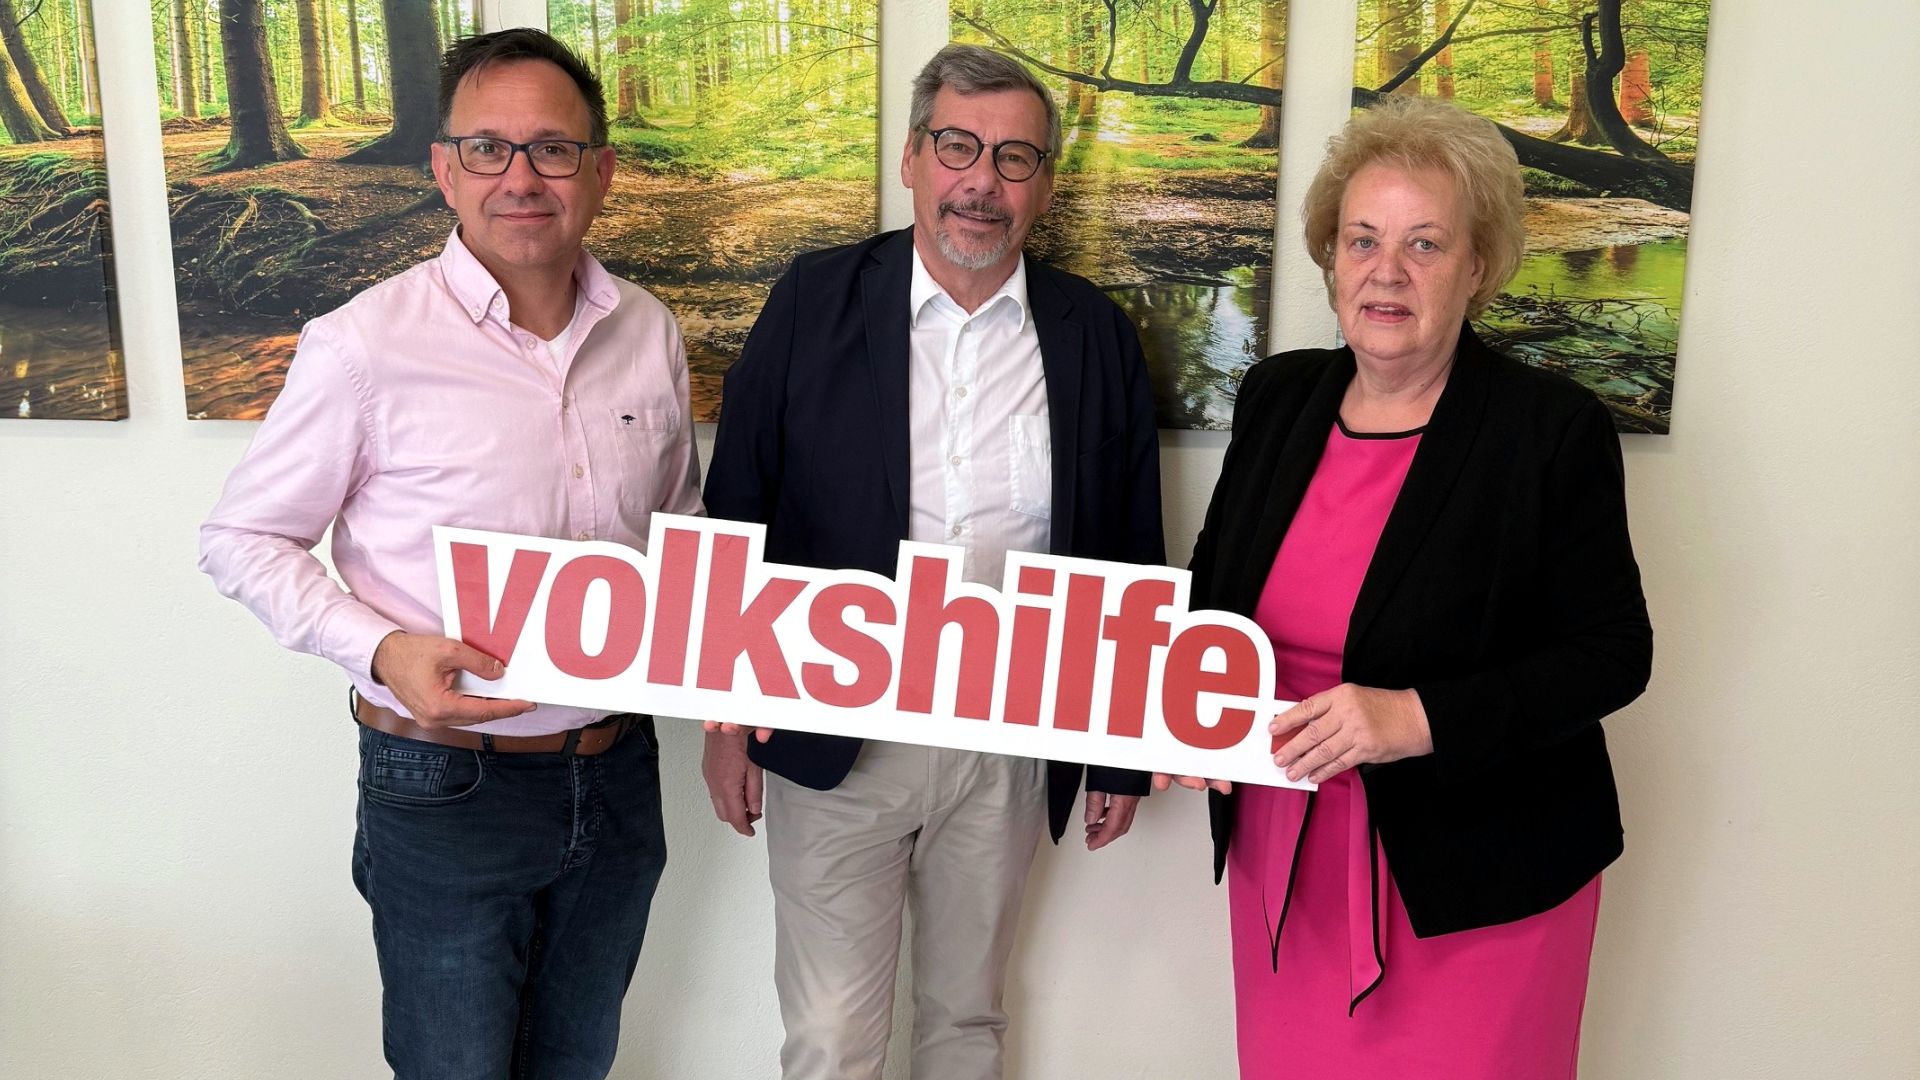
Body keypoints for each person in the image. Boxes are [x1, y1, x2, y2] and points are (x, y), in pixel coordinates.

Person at [197, 30, 702, 1080]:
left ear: (602, 170)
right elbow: (242, 538)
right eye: (487, 148)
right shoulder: (363, 344)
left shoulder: (651, 332)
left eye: (553, 149)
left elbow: (677, 526)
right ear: (443, 168)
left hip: (618, 775)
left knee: (579, 1064)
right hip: (442, 785)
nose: (521, 178)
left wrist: (734, 654)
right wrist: (383, 650)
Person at [1160, 95, 1653, 1077]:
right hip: (1284, 857)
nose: (1387, 271)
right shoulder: (1278, 397)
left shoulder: (1548, 430)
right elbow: (1212, 587)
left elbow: (1611, 655)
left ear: (1478, 266)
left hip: (1477, 882)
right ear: (1331, 255)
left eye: (1425, 244)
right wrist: (1181, 710)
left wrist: (1414, 717)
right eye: (1363, 240)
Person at [699, 43, 1165, 1080]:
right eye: (958, 146)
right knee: (832, 1039)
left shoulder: (1092, 334)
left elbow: (1129, 540)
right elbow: (738, 506)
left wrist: (1121, 747)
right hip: (832, 720)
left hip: (1011, 732)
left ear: (1044, 184)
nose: (981, 182)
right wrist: (724, 722)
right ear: (912, 157)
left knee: (965, 1022)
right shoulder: (813, 300)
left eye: (1013, 157)